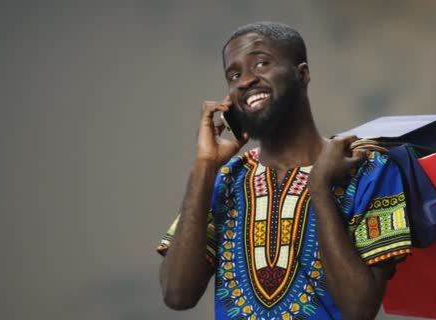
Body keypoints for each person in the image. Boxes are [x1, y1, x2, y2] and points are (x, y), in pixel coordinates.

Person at [157, 22, 412, 320]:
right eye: (234, 74)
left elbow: (359, 309)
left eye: (262, 63)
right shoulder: (223, 180)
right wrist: (205, 165)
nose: (245, 81)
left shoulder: (368, 170)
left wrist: (319, 186)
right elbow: (177, 295)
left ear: (302, 73)